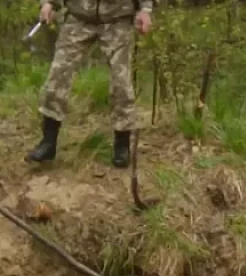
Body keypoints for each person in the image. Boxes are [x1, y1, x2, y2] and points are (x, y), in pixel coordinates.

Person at [26, 0, 153, 168]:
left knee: (121, 82)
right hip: (79, 17)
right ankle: (48, 141)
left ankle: (122, 146)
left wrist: (145, 9)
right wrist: (48, 3)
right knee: (58, 75)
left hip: (117, 19)